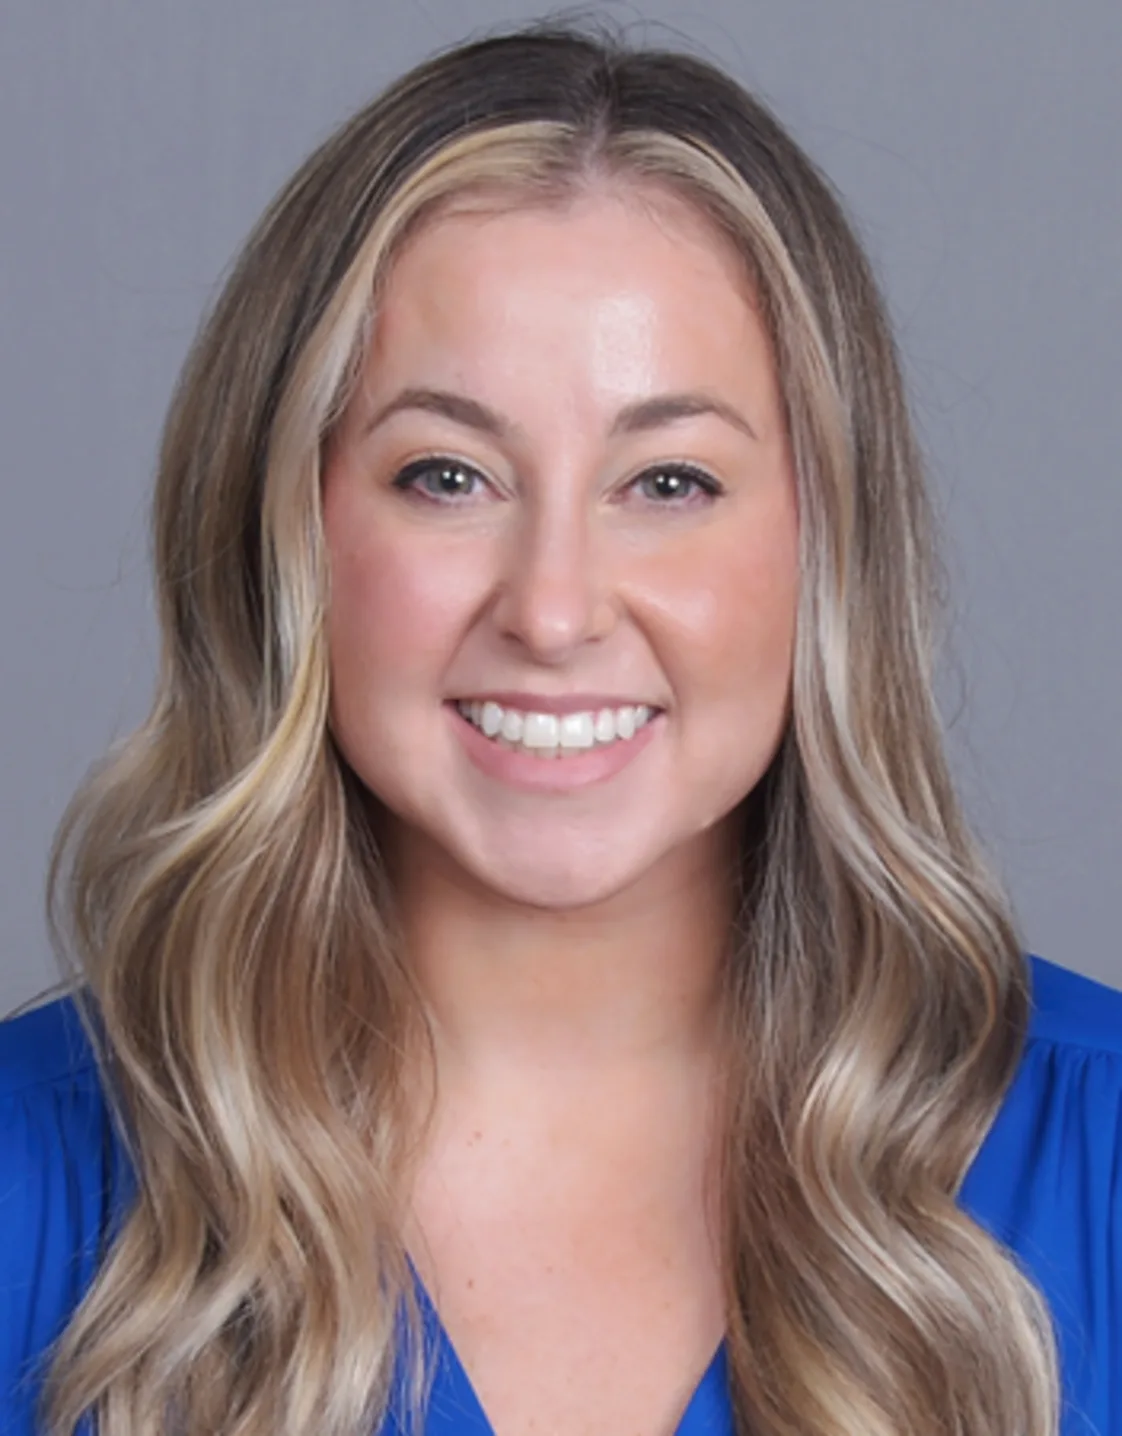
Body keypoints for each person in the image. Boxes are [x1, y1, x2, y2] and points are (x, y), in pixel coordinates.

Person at [1, 19, 1119, 1436]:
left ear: (823, 545)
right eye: (447, 473)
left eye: (666, 483)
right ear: (286, 527)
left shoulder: (1103, 1155)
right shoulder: (30, 1189)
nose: (551, 607)